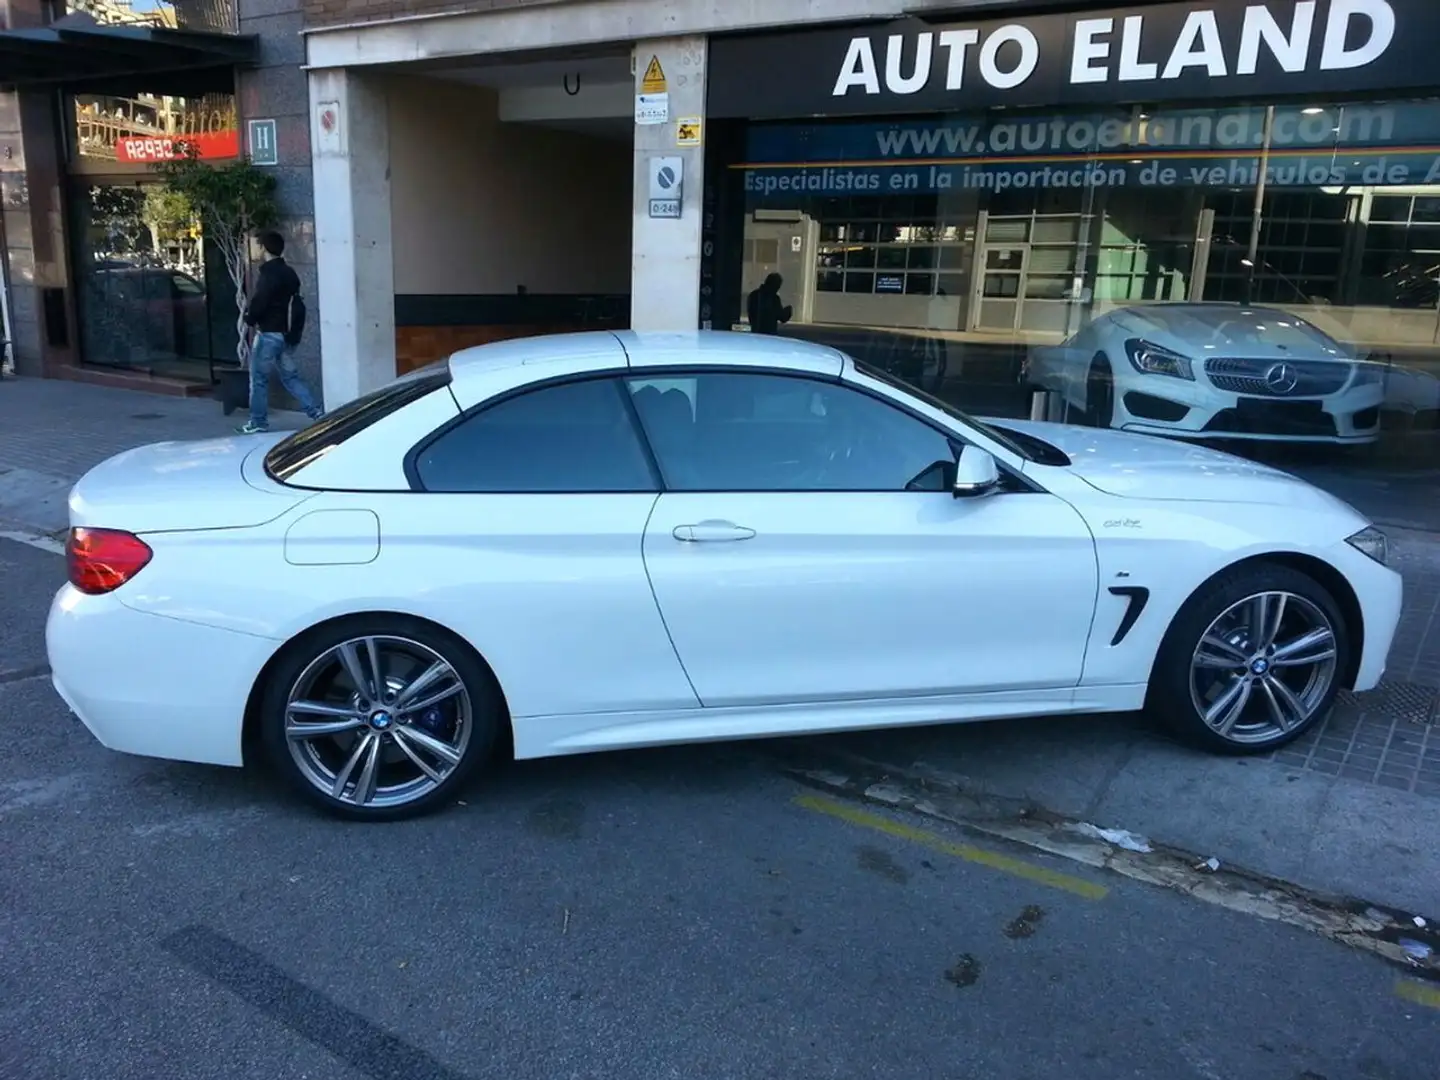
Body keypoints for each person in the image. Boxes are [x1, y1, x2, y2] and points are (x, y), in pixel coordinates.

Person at [237, 230, 323, 434]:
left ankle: (258, 422)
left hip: (269, 333)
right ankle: (316, 412)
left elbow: (261, 301)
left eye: (259, 245)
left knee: (258, 378)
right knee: (291, 377)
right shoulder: (289, 273)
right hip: (286, 334)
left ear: (265, 248)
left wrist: (250, 318)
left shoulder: (269, 274)